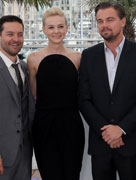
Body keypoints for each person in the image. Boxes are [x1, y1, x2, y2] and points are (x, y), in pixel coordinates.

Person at [79, 2, 136, 180]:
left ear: (123, 21)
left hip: (132, 141)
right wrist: (106, 131)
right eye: (100, 21)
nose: (104, 25)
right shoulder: (88, 55)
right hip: (101, 143)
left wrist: (121, 129)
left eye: (110, 19)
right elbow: (83, 99)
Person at [28, 6, 85, 180]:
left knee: (71, 173)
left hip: (72, 125)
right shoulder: (33, 58)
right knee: (49, 173)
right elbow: (33, 94)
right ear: (44, 30)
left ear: (67, 28)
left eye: (60, 26)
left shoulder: (78, 57)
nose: (56, 31)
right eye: (51, 27)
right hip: (44, 126)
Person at [0, 15, 35, 180]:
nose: (16, 39)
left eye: (20, 34)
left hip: (25, 155)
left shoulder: (25, 68)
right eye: (10, 34)